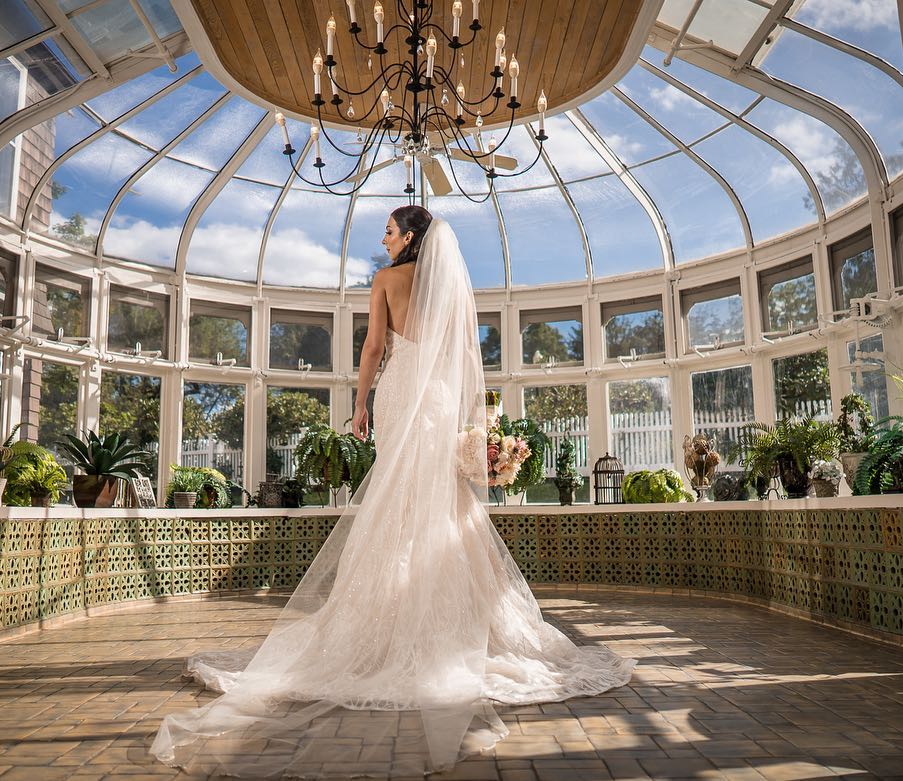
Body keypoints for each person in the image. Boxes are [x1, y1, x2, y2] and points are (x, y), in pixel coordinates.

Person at [150, 206, 635, 778]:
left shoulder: (386, 281)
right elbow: (465, 357)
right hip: (436, 403)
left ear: (409, 238)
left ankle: (389, 623)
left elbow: (374, 349)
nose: (382, 239)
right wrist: (474, 423)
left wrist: (359, 404)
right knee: (444, 506)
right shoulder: (449, 290)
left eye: (388, 230)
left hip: (400, 393)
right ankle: (450, 620)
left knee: (397, 501)